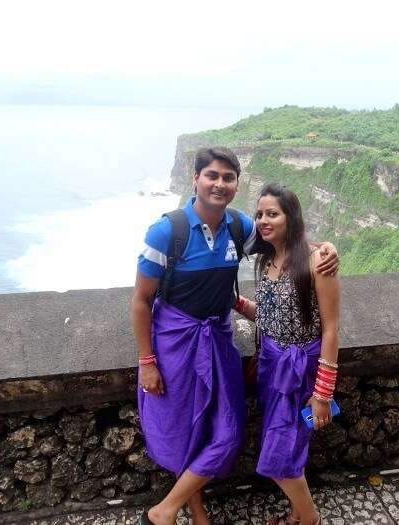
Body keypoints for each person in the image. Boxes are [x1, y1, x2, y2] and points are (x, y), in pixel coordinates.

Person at [132, 148, 338, 525]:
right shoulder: (166, 232)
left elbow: (285, 239)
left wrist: (325, 248)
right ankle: (193, 510)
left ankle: (164, 511)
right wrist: (147, 362)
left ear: (236, 184)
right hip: (174, 345)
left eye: (228, 178)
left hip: (219, 342)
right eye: (212, 175)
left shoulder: (239, 228)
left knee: (226, 431)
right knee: (186, 430)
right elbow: (141, 301)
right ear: (195, 179)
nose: (220, 184)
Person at [234, 183, 341, 525]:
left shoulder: (317, 261)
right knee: (291, 448)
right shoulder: (266, 260)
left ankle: (310, 519)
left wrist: (322, 395)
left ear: (290, 217)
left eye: (273, 214)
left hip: (299, 374)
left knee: (279, 457)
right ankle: (296, 515)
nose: (264, 220)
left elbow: (331, 330)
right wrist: (233, 301)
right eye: (260, 214)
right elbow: (268, 317)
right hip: (270, 366)